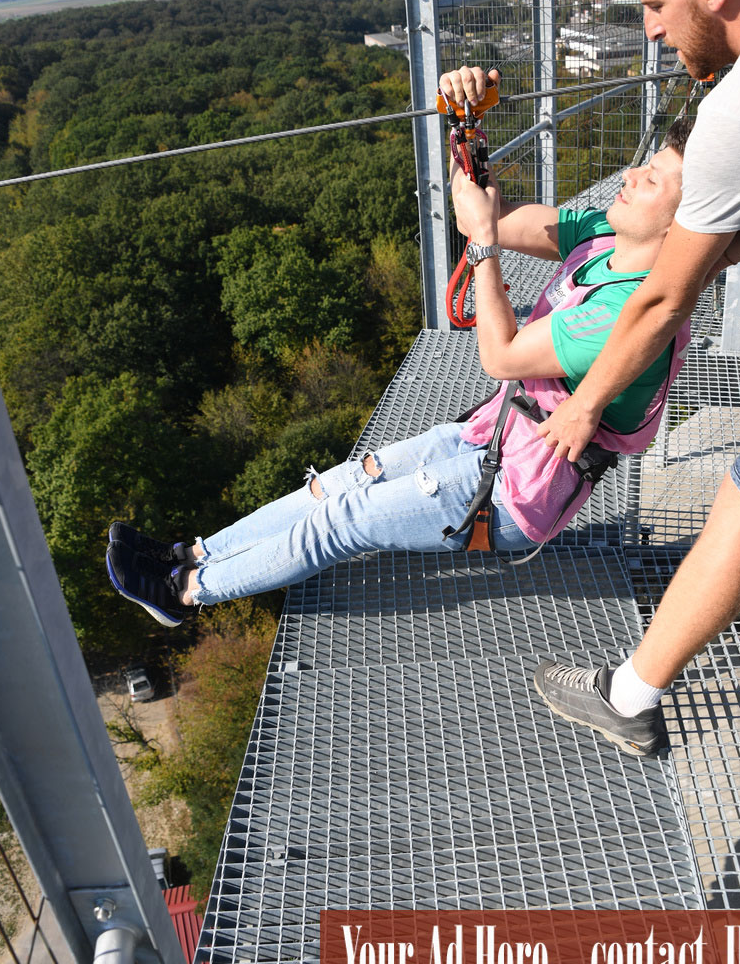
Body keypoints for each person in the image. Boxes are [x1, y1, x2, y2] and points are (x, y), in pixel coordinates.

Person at [106, 108, 690, 667]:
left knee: (343, 521)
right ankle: (193, 553)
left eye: (655, 179)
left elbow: (500, 354)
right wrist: (467, 131)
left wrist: (484, 246)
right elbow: (482, 214)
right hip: (494, 435)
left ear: (689, 218)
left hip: (516, 494)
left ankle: (186, 591)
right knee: (336, 485)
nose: (632, 174)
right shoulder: (599, 241)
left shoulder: (624, 311)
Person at [501, 0, 740, 755]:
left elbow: (662, 302)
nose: (650, 33)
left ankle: (629, 696)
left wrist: (586, 404)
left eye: (656, 6)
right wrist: (701, 253)